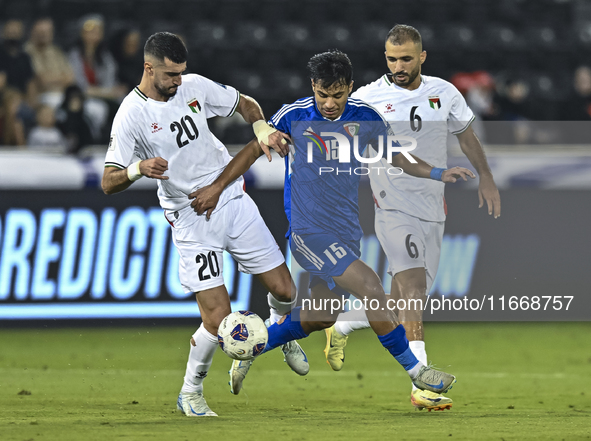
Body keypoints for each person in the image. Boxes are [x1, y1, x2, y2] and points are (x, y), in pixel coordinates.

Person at [191, 50, 475, 401]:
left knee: (320, 317)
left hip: (345, 231)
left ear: (349, 88)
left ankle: (252, 345)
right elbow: (252, 150)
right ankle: (419, 374)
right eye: (322, 94)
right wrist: (218, 188)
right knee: (371, 285)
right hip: (309, 231)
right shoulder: (294, 116)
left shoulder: (365, 117)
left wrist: (437, 172)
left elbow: (396, 154)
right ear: (313, 87)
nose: (328, 103)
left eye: (337, 95)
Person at [101, 32, 308, 417]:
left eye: (181, 72)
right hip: (191, 216)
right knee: (216, 318)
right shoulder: (131, 114)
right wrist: (137, 168)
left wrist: (261, 127)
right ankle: (190, 392)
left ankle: (270, 331)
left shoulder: (194, 86)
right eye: (170, 74)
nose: (178, 80)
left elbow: (244, 102)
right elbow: (108, 180)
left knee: (286, 291)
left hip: (231, 198)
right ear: (149, 68)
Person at [323, 24, 501, 412]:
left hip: (433, 208)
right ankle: (422, 383)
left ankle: (345, 322)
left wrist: (486, 177)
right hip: (391, 205)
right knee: (415, 289)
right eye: (391, 58)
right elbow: (330, 121)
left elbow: (467, 137)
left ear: (422, 57)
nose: (398, 65)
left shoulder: (445, 92)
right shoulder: (368, 98)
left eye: (406, 58)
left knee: (403, 301)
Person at [24, 17, 75, 109]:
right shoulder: (27, 52)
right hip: (40, 97)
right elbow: (42, 80)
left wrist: (53, 79)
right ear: (32, 32)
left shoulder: (57, 51)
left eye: (47, 31)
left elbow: (70, 78)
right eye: (40, 32)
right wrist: (61, 78)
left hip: (61, 94)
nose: (44, 35)